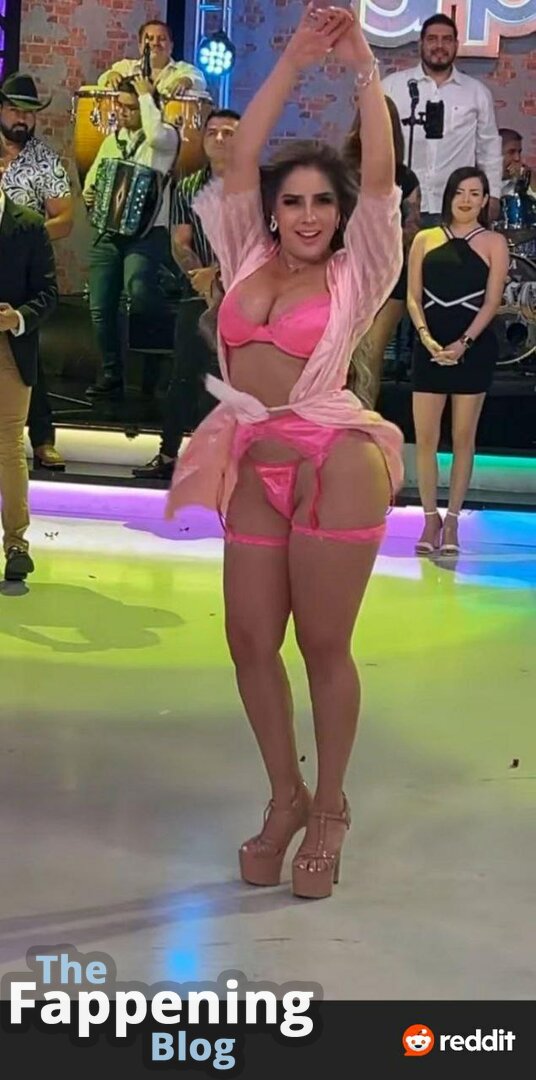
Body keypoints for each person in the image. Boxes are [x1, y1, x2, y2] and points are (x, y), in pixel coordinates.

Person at [167, 6, 404, 899]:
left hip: (334, 459)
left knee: (323, 645)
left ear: (342, 215)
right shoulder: (245, 252)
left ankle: (331, 807)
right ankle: (286, 794)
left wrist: (361, 63)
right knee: (248, 641)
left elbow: (378, 176)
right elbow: (239, 158)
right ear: (273, 208)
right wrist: (297, 57)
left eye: (323, 202)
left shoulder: (358, 267)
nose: (308, 215)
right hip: (255, 457)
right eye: (293, 200)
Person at [133, 108, 241, 482]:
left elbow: (260, 243)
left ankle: (222, 459)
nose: (219, 138)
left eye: (229, 133)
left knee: (230, 379)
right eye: (213, 132)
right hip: (197, 292)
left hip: (248, 296)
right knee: (183, 374)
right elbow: (180, 242)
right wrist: (203, 280)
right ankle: (168, 453)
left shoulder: (259, 187)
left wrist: (219, 275)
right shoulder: (188, 187)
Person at [407, 166, 509, 555]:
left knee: (464, 437)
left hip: (473, 348)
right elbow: (413, 297)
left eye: (475, 193)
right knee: (426, 439)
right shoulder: (425, 238)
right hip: (428, 347)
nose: (466, 200)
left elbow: (492, 301)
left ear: (484, 201)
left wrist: (464, 343)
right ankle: (428, 519)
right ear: (449, 195)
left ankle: (452, 521)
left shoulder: (494, 242)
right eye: (460, 192)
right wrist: (426, 338)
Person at [83, 76, 179, 399]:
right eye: (120, 106)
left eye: (131, 107)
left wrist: (146, 96)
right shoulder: (113, 141)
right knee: (100, 305)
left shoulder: (164, 139)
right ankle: (112, 373)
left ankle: (158, 359)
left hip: (147, 234)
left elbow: (155, 133)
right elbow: (93, 178)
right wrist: (90, 194)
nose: (122, 112)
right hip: (109, 233)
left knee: (138, 290)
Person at [0, 73, 72, 471]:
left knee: (27, 350)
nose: (22, 119)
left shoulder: (44, 159)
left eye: (28, 113)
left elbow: (64, 218)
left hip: (21, 269)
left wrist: (26, 238)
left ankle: (42, 438)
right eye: (15, 110)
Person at [382, 15, 502, 227]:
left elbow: (489, 148)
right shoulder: (391, 87)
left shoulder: (476, 93)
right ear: (421, 44)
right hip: (401, 207)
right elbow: (375, 144)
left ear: (456, 45)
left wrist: (493, 194)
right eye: (432, 39)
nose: (439, 46)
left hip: (456, 207)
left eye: (447, 39)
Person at [344, 96, 420, 405]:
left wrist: (388, 238)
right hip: (348, 274)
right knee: (343, 357)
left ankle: (362, 425)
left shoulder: (404, 177)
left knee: (369, 356)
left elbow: (413, 230)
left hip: (391, 277)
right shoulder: (341, 173)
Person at [0, 187, 58, 581]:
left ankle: (16, 544)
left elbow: (48, 292)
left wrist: (17, 318)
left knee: (8, 446)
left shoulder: (31, 225)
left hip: (9, 347)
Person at [98, 19, 206, 96]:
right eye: (149, 39)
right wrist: (111, 76)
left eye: (162, 39)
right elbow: (102, 80)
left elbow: (200, 81)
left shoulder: (183, 69)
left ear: (171, 46)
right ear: (140, 46)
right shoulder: (127, 67)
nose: (155, 43)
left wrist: (186, 81)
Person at [499, 128, 535, 199]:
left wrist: (530, 179)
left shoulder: (525, 179)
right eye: (511, 152)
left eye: (519, 152)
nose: (517, 158)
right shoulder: (480, 181)